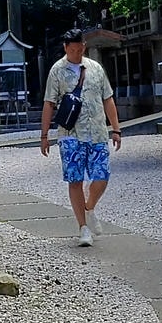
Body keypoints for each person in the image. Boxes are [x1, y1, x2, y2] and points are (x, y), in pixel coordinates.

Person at [40, 25, 121, 245]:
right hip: (70, 133)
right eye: (73, 50)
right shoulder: (57, 70)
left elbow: (108, 98)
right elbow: (49, 103)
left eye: (80, 49)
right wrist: (44, 135)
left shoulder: (95, 68)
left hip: (96, 131)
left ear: (84, 46)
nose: (77, 53)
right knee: (75, 180)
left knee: (102, 175)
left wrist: (116, 128)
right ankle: (83, 227)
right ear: (66, 47)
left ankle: (90, 206)